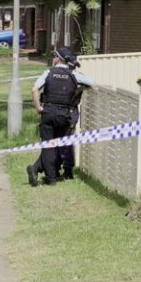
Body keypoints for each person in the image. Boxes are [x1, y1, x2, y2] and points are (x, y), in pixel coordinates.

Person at [27, 47, 93, 187]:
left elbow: (34, 89)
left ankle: (50, 178)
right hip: (64, 115)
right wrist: (81, 88)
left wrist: (38, 107)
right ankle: (44, 171)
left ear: (58, 59)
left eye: (54, 56)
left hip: (48, 112)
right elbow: (91, 83)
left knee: (47, 146)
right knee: (58, 145)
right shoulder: (73, 74)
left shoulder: (48, 72)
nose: (53, 58)